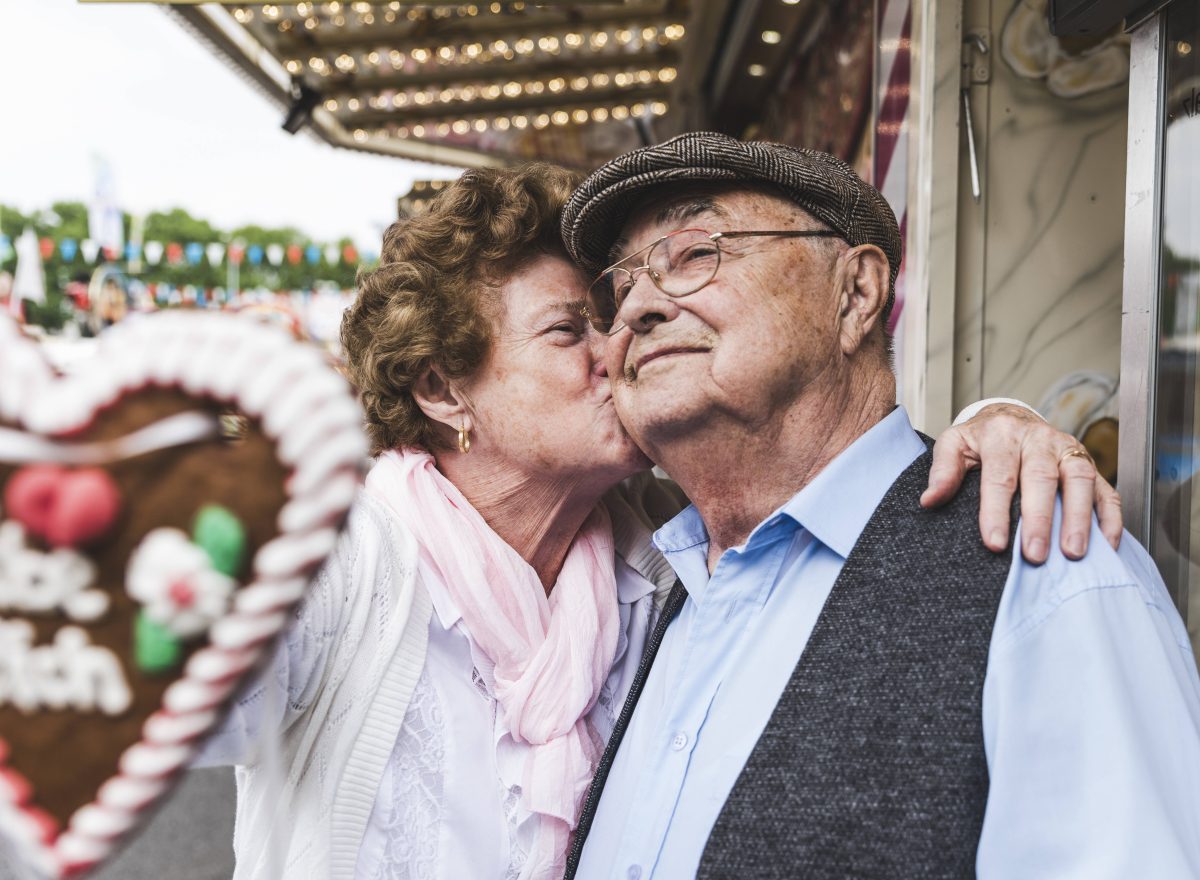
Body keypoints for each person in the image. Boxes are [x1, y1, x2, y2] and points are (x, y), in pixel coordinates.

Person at [196, 163, 1118, 880]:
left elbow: (835, 467)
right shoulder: (343, 552)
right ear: (443, 389)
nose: (623, 338)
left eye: (614, 313)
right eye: (571, 331)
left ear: (858, 292)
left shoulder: (665, 558)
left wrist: (1001, 422)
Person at [559, 132, 1200, 879]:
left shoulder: (1042, 553)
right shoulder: (650, 588)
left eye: (696, 252)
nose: (637, 306)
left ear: (857, 293)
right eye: (620, 285)